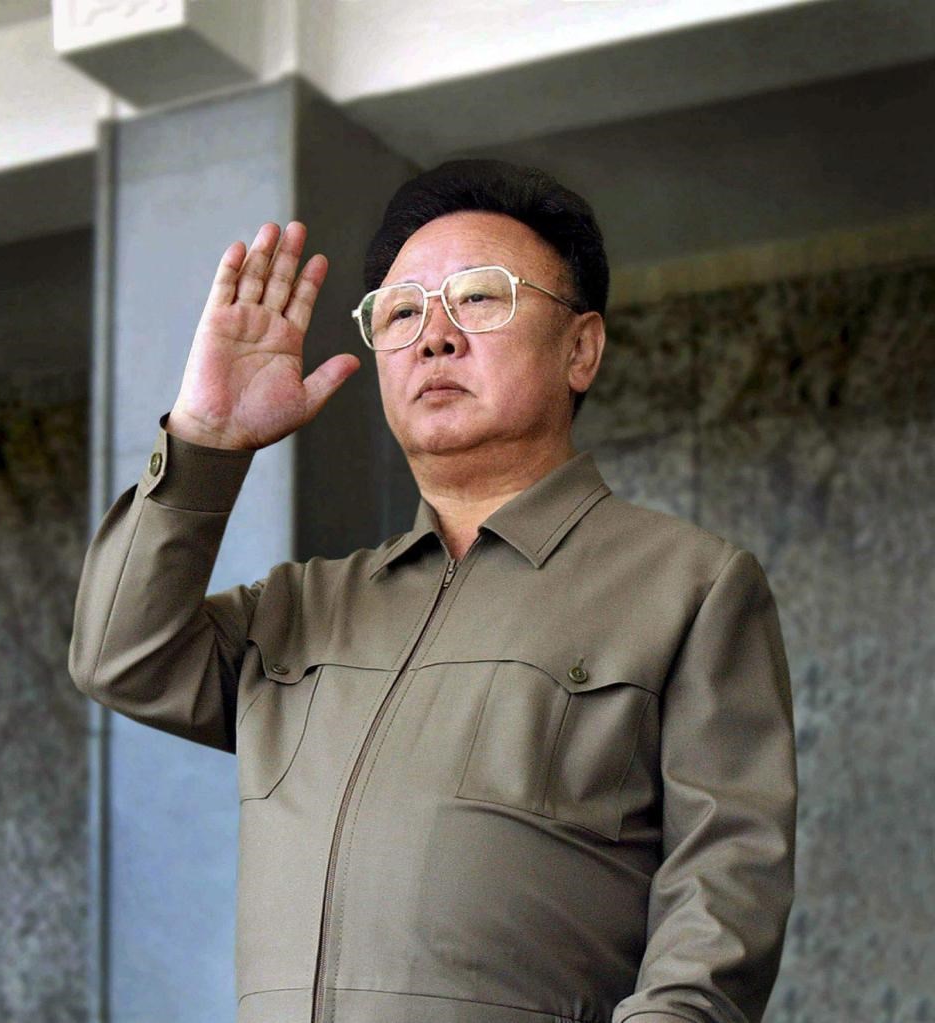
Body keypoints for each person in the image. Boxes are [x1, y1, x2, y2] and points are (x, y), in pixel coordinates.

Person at [70, 160, 796, 1023]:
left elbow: (722, 901)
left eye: (480, 298)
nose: (434, 336)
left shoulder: (689, 587)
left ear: (581, 348)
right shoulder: (303, 607)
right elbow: (119, 655)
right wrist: (205, 442)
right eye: (402, 311)